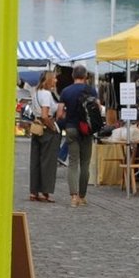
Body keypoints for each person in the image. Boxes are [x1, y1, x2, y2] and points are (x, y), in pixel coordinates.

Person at [57, 64, 99, 207]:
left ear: (72, 76)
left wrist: (68, 116)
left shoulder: (66, 91)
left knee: (73, 162)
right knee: (85, 163)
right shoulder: (91, 90)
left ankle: (73, 197)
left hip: (71, 128)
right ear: (86, 76)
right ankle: (82, 196)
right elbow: (97, 109)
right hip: (86, 129)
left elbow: (59, 114)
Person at [27, 69, 60, 203]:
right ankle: (44, 191)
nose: (56, 80)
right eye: (54, 78)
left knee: (35, 161)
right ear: (49, 80)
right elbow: (45, 115)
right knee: (48, 162)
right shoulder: (46, 94)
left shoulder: (36, 92)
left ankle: (34, 191)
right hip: (46, 129)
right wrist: (52, 127)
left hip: (37, 127)